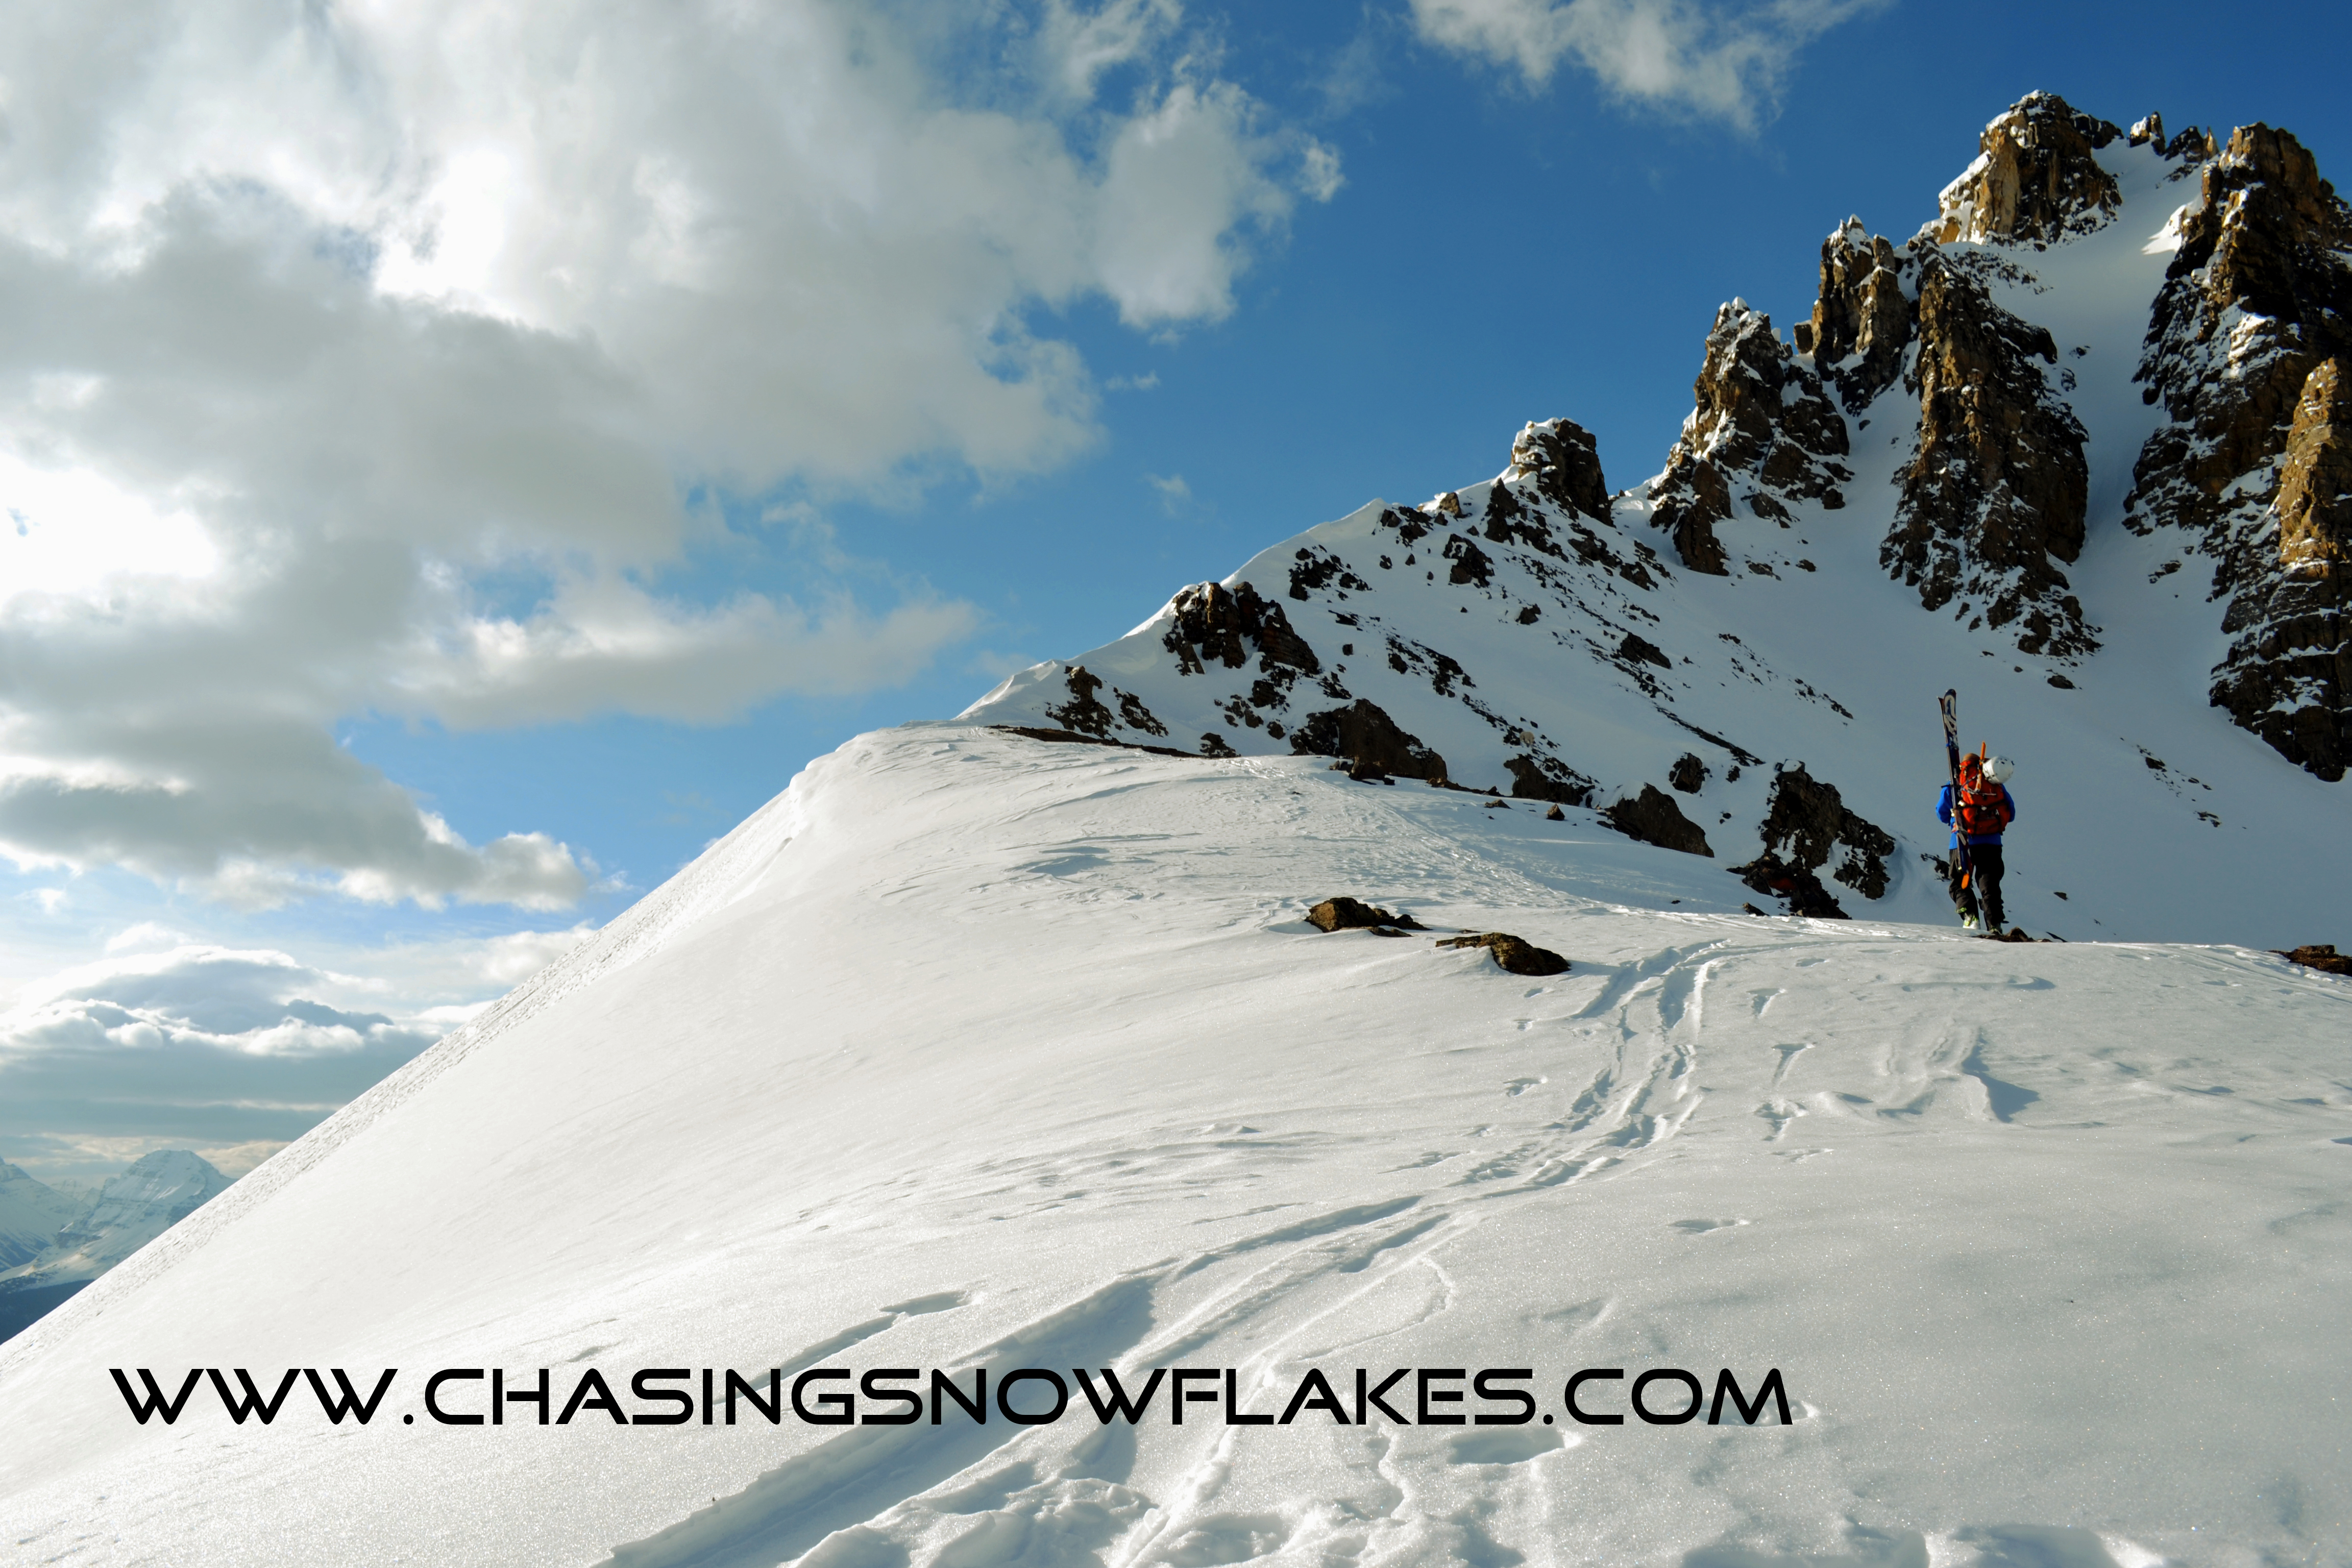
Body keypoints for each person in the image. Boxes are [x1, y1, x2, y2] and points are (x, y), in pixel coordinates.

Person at [1937, 751, 2016, 929]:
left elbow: (1941, 813)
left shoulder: (1956, 784)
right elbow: (2010, 814)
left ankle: (1971, 917)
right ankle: (1995, 924)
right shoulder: (1994, 784)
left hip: (1961, 840)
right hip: (1991, 843)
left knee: (1959, 882)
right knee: (1989, 884)